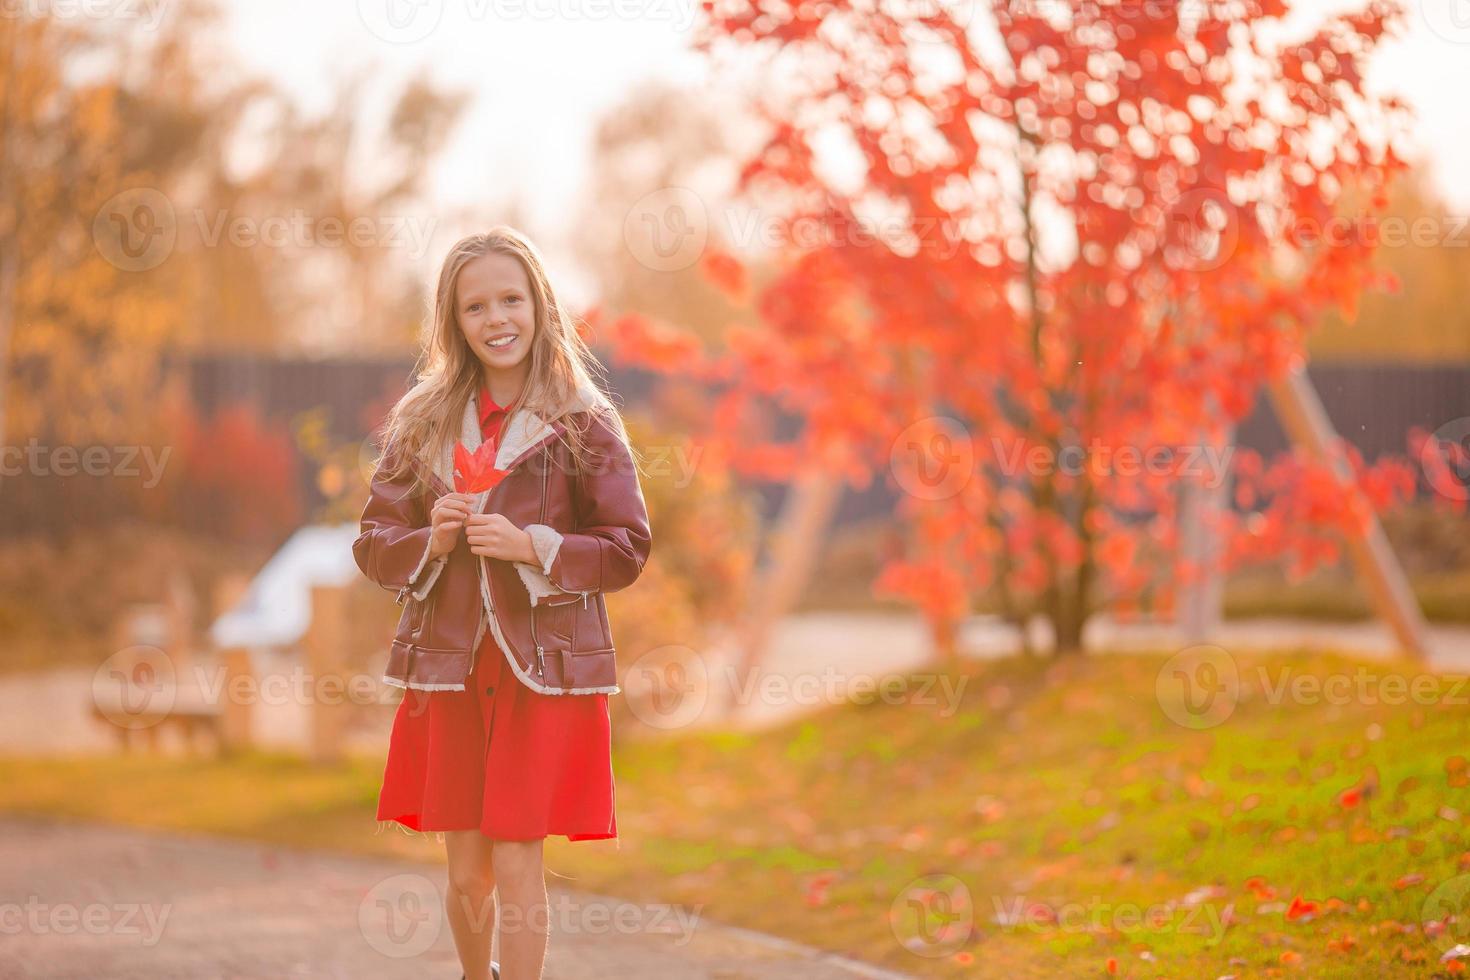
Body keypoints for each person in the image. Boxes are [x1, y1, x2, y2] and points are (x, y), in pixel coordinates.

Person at [353, 227, 653, 980]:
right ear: (453, 322)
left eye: (510, 299)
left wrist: (535, 547)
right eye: (475, 306)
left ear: (540, 304)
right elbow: (373, 540)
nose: (497, 319)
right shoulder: (422, 421)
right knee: (466, 873)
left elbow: (627, 547)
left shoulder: (584, 420)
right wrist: (433, 539)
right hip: (449, 667)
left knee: (519, 859)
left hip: (541, 669)